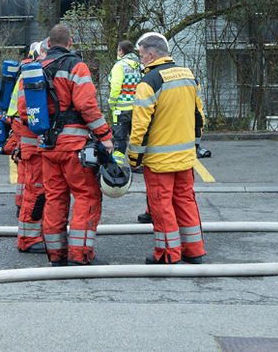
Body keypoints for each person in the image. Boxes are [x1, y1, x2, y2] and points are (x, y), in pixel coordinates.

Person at [19, 25, 113, 266]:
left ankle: (57, 255)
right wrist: (104, 136)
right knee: (86, 196)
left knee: (54, 198)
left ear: (48, 44)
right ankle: (80, 255)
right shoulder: (76, 66)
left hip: (47, 146)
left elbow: (23, 112)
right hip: (75, 145)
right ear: (70, 42)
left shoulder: (33, 69)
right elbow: (87, 106)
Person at [128, 32, 206, 265]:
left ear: (151, 56)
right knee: (185, 202)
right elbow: (198, 116)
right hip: (185, 157)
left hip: (160, 160)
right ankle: (194, 251)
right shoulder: (189, 75)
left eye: (142, 57)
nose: (141, 61)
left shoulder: (149, 81)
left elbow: (140, 125)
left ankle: (167, 254)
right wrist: (195, 146)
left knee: (161, 206)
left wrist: (134, 158)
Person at [9, 41, 47, 253]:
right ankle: (28, 239)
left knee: (37, 190)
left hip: (35, 141)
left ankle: (36, 234)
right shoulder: (31, 73)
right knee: (35, 190)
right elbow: (26, 111)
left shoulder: (39, 71)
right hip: (33, 141)